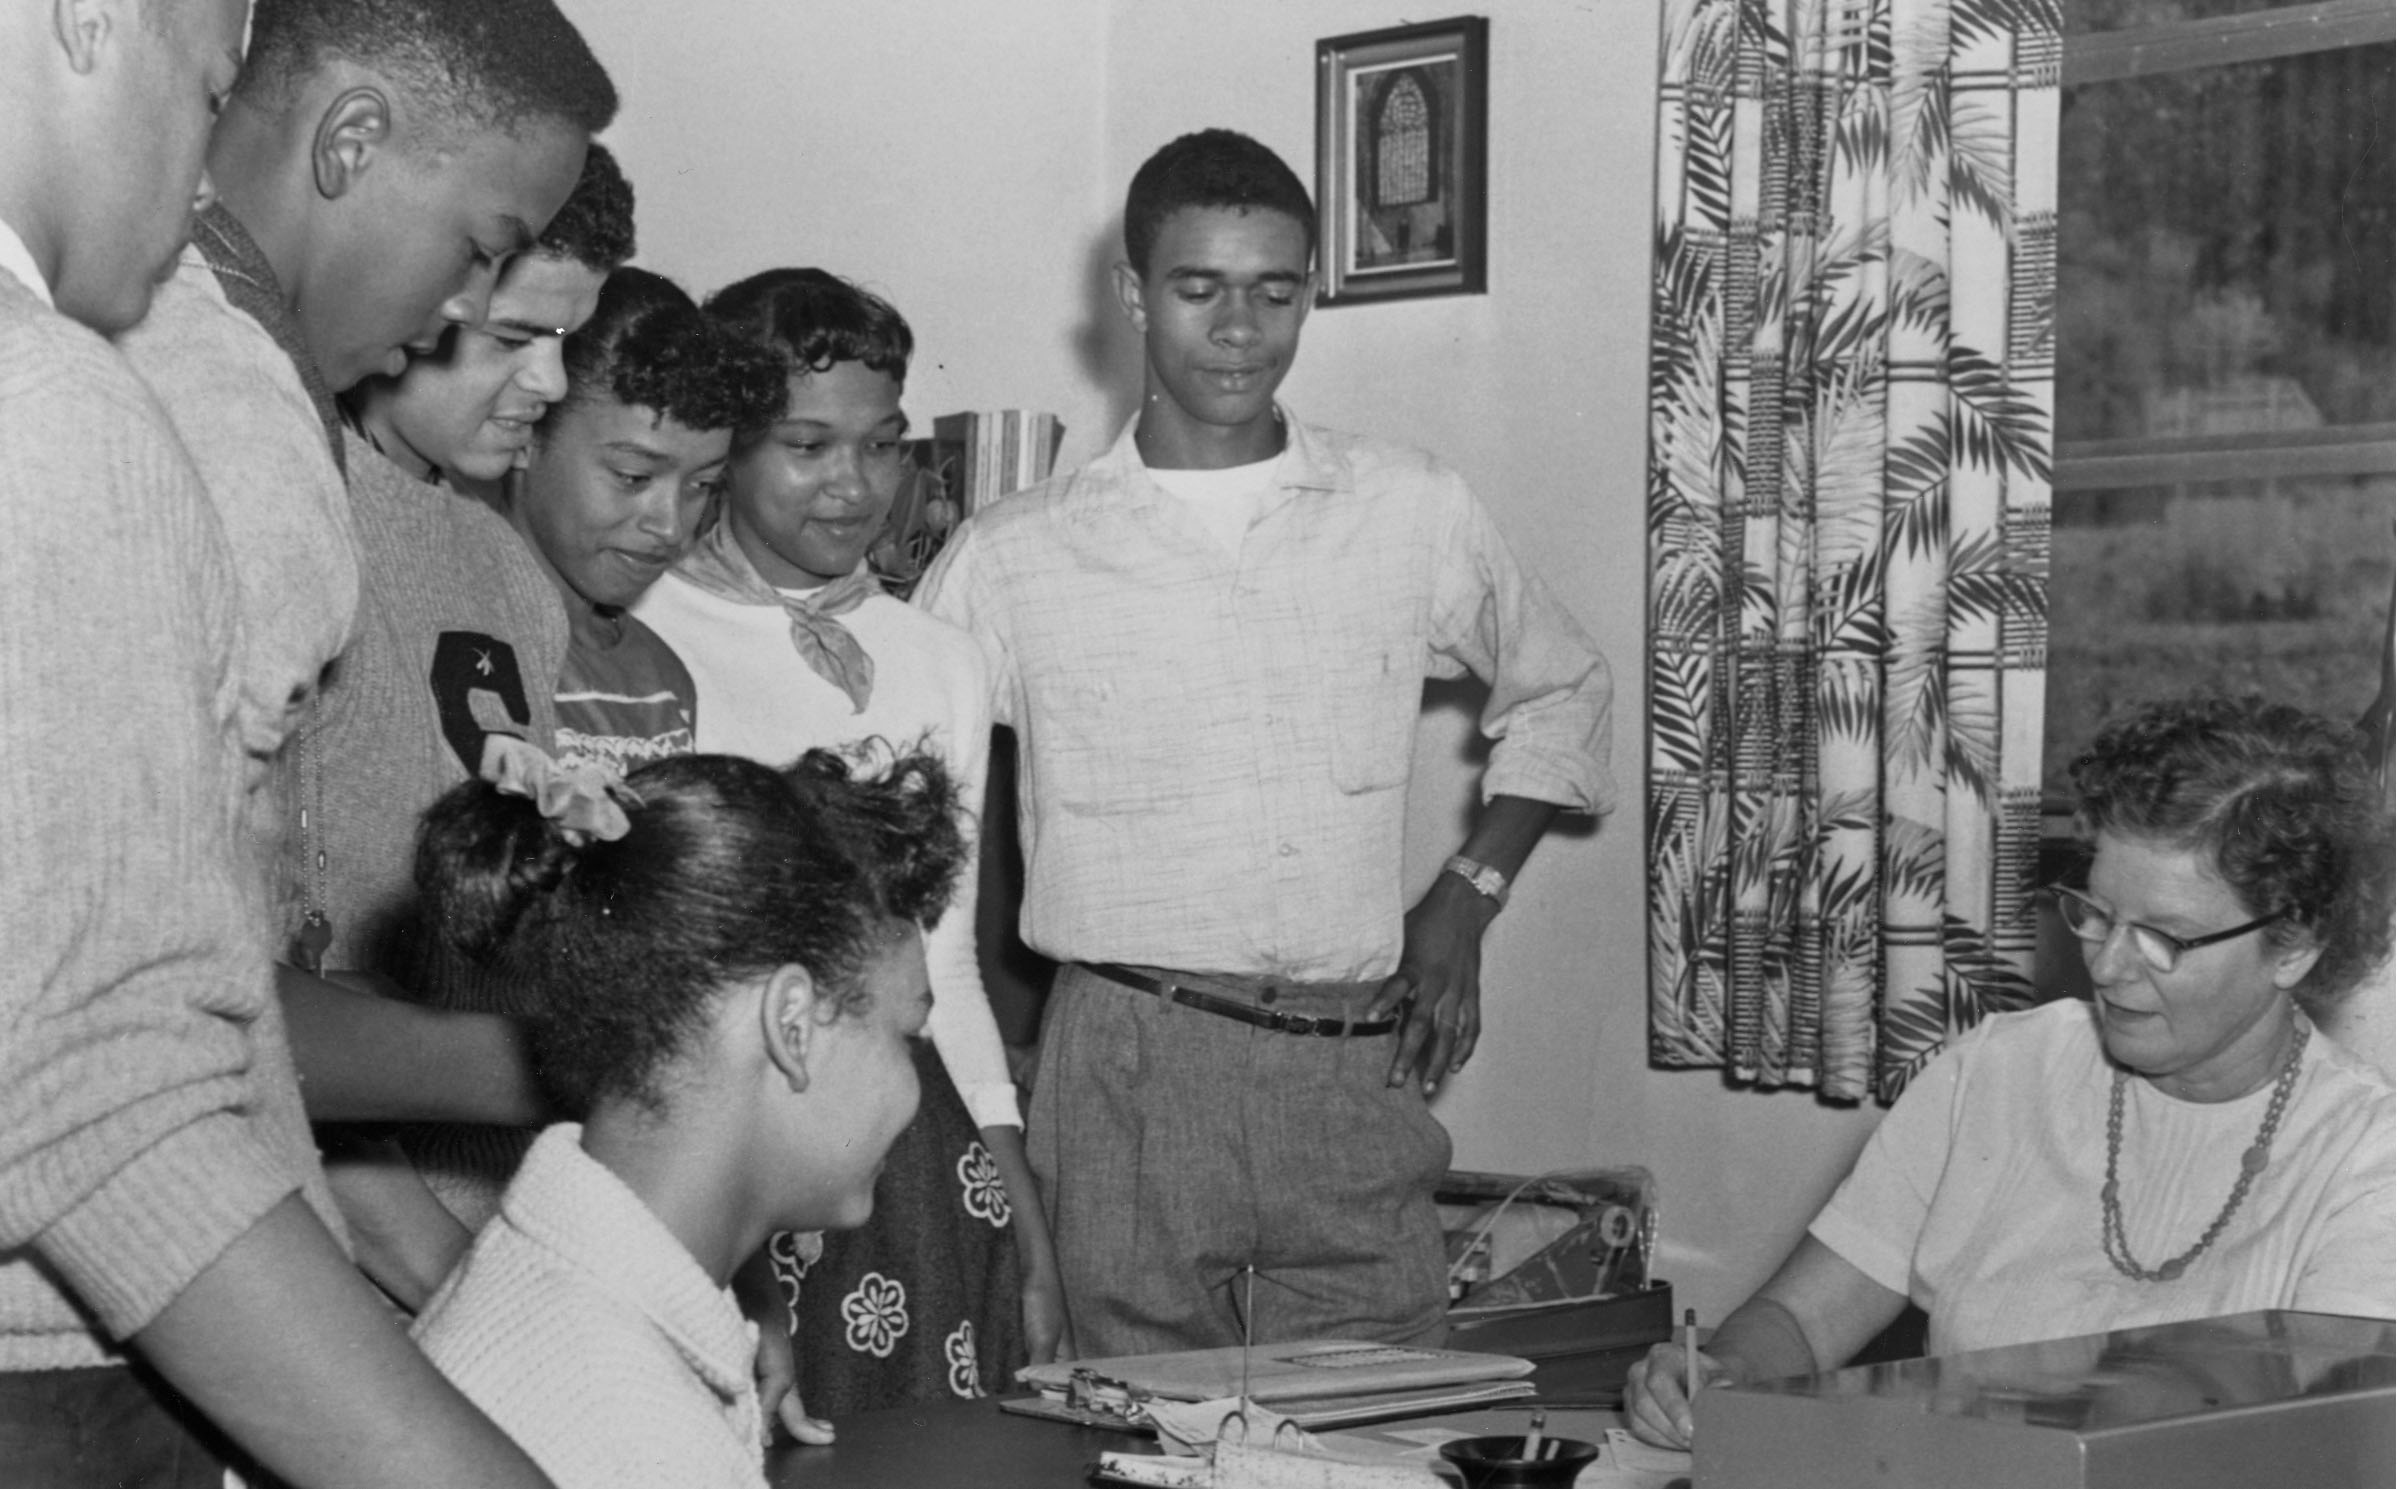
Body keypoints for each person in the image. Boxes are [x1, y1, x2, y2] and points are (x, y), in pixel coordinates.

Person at [914, 128, 1615, 1357]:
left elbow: (1567, 688)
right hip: (1132, 1060)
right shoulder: (1012, 557)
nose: (1240, 327)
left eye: (1276, 291)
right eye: (1199, 289)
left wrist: (1464, 900)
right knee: (1140, 1438)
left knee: (1383, 1429)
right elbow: (901, 814)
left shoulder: (1409, 506)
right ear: (1133, 295)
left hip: (1351, 1064)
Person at [0, 1, 556, 1486]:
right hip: (62, 1348)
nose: (455, 310)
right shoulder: (118, 397)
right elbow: (126, 1066)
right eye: (206, 85)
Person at [1626, 693, 2397, 1450]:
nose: (2107, 964)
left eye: (2164, 937)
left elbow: (2321, 1449)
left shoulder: (2368, 1159)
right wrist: (1723, 1371)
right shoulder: (1994, 1068)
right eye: (2094, 912)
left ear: (2294, 944)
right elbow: (1801, 1317)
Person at [633, 267, 1066, 1412]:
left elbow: (948, 959)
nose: (853, 485)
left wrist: (1016, 1196)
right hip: (718, 1139)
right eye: (807, 445)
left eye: (882, 445)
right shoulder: (640, 629)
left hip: (910, 1153)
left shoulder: (939, 659)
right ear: (728, 443)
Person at [411, 744, 968, 1489]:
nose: (914, 1090)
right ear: (792, 1025)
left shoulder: (550, 1284)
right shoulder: (639, 1437)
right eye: (908, 1036)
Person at [284, 143, 636, 1306]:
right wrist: (449, 1282)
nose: (547, 384)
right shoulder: (291, 507)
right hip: (325, 1250)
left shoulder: (509, 571)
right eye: (511, 336)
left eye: (568, 344)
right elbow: (248, 1012)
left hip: (489, 1225)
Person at [500, 267, 783, 771]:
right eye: (633, 477)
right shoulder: (465, 643)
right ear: (525, 433)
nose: (671, 527)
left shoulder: (660, 677)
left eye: (702, 486)